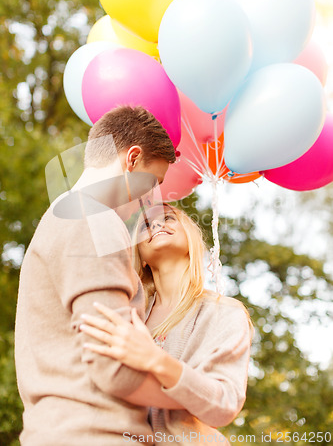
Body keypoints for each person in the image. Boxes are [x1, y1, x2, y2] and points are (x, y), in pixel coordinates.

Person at [14, 106, 178, 446]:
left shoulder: (64, 213)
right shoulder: (95, 219)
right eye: (153, 181)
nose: (151, 199)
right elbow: (114, 369)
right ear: (132, 159)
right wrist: (196, 397)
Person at [79, 203, 253, 445]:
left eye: (169, 218)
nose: (158, 225)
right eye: (146, 226)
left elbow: (223, 405)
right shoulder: (128, 315)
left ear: (191, 240)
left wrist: (155, 359)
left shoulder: (224, 312)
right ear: (141, 257)